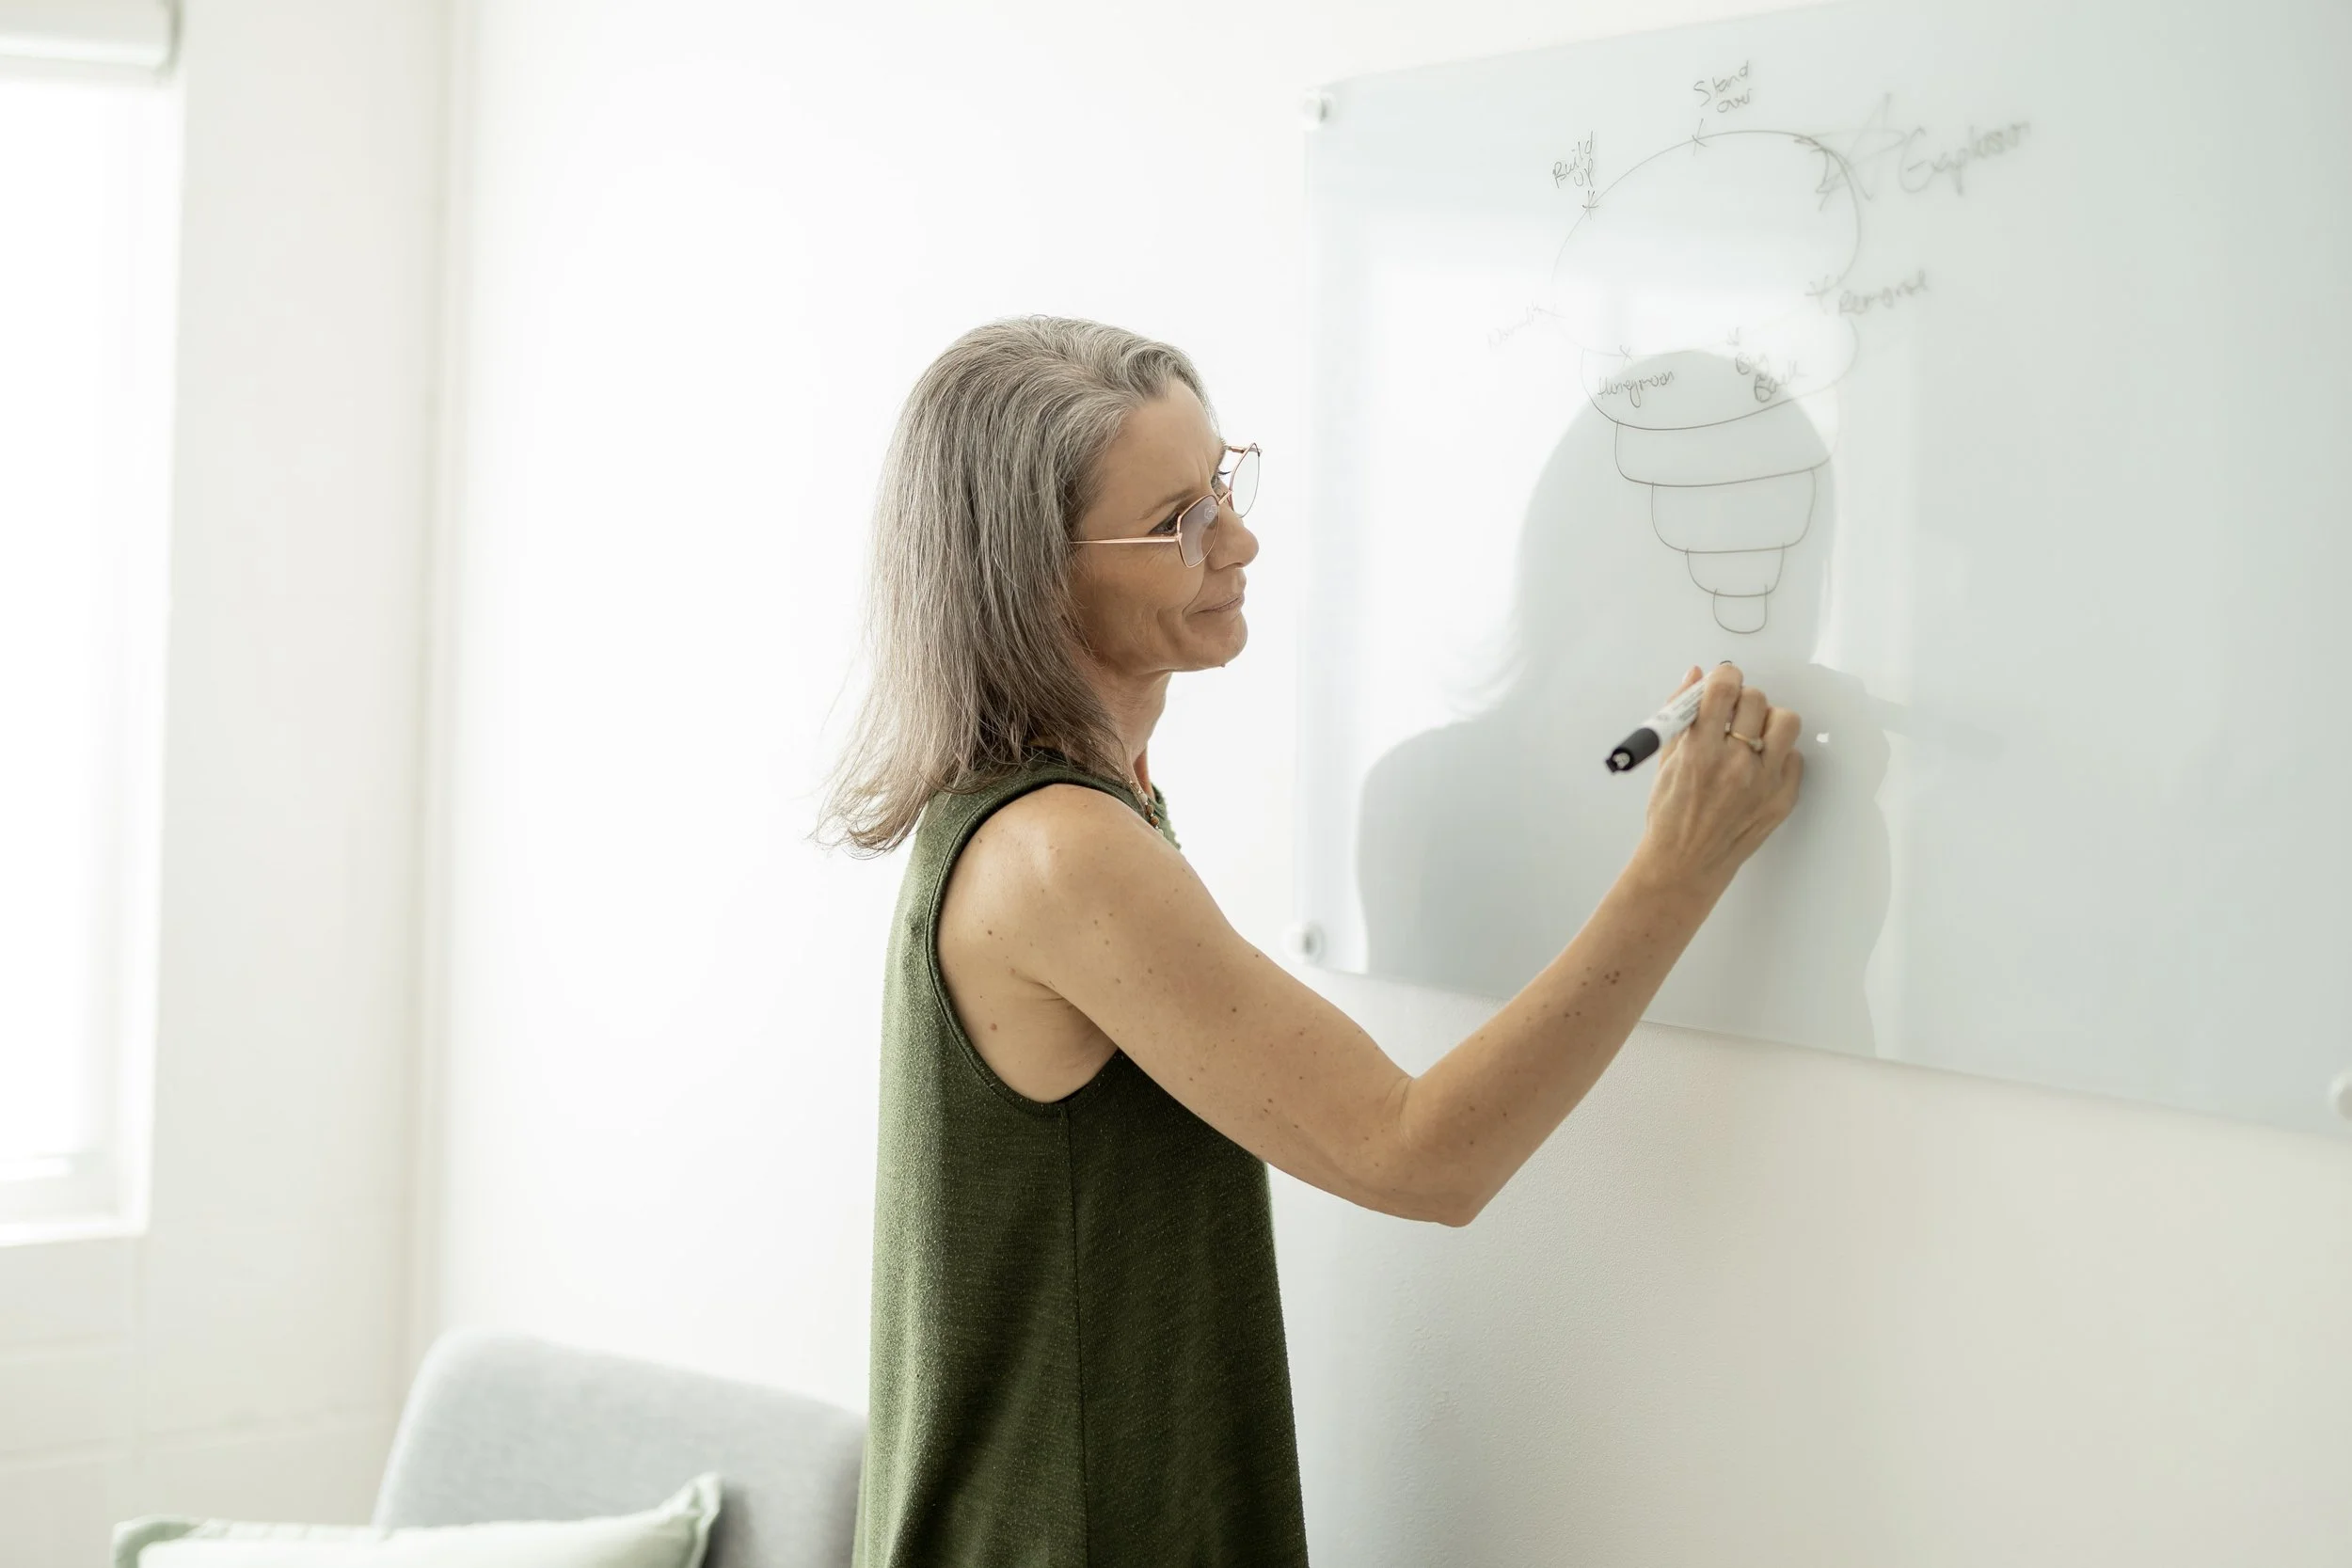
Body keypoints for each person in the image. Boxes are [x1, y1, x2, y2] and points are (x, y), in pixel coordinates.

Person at [820, 317, 1803, 1567]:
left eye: (1224, 485)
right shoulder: (1062, 850)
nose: (1239, 541)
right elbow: (1422, 1158)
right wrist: (1682, 864)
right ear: (1035, 579)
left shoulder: (1070, 811)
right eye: (1178, 522)